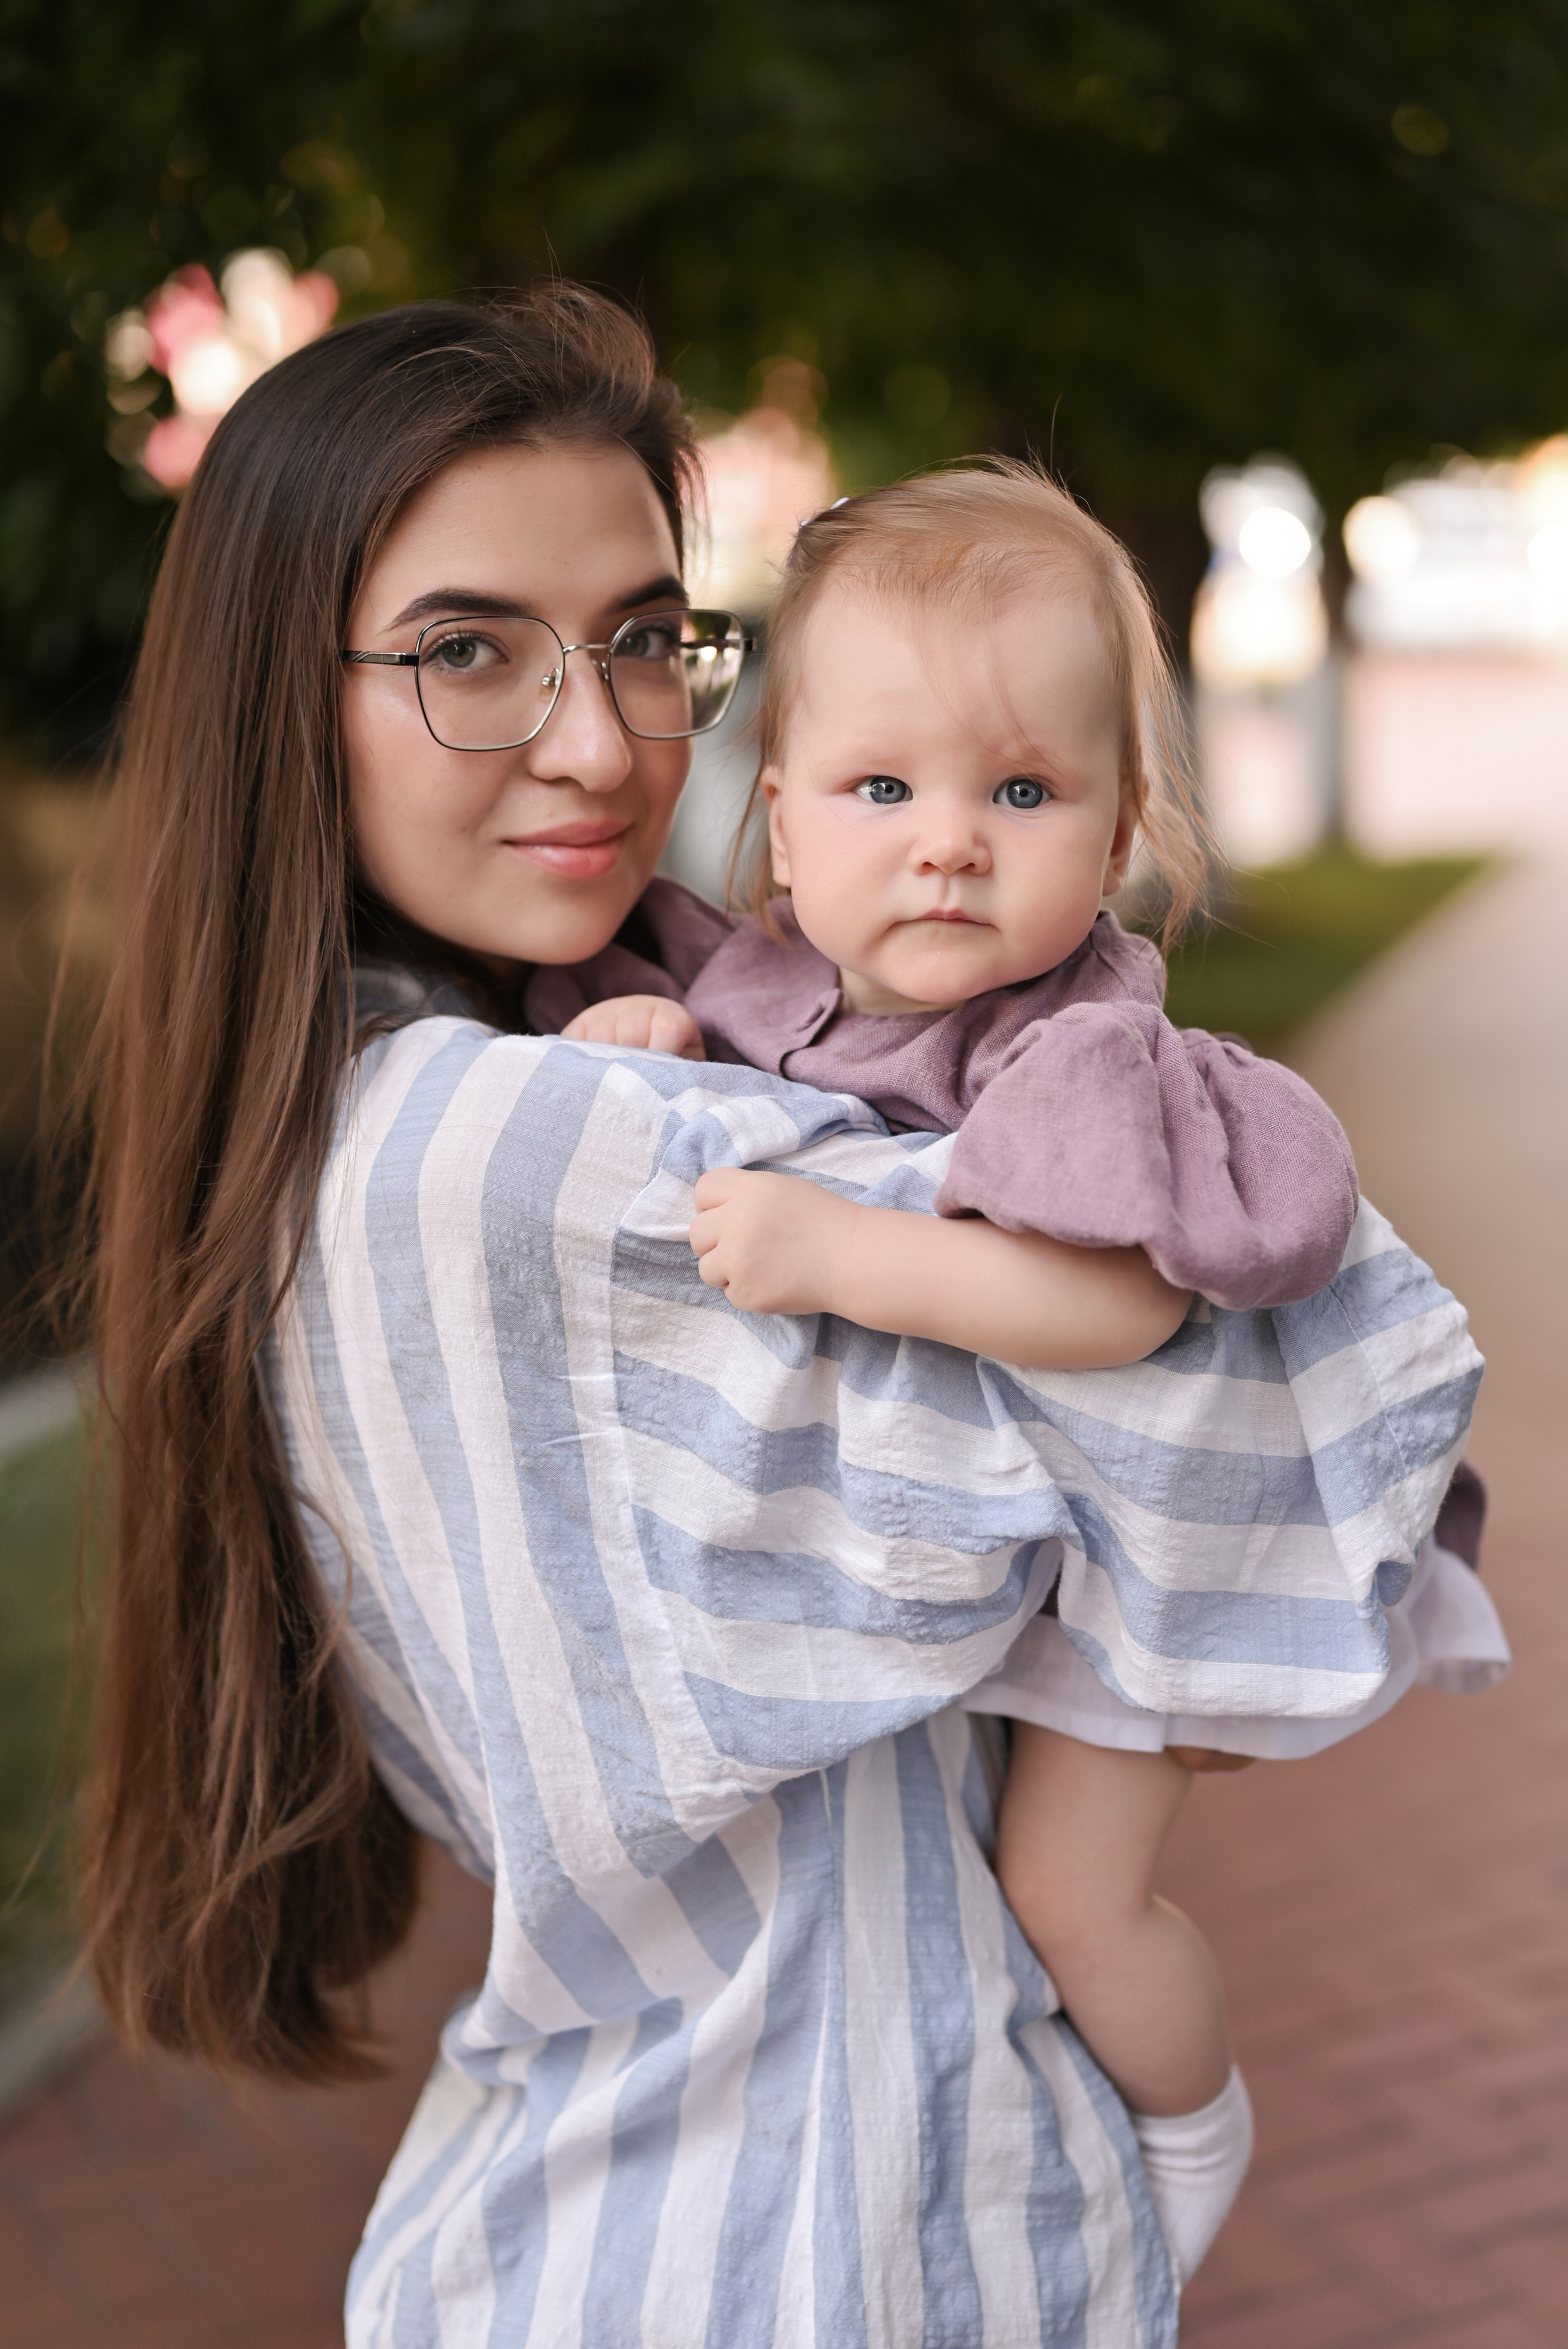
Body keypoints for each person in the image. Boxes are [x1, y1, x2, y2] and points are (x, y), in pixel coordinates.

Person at [63, 284, 1488, 2345]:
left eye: (648, 640)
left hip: (844, 2208)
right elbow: (1304, 1405)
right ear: (279, 698)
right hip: (752, 2249)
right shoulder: (488, 1152)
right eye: (469, 650)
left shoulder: (549, 1066)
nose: (598, 739)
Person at [552, 462, 1507, 2273]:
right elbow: (725, 1074)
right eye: (883, 786)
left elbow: (1116, 1308)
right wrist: (650, 1034)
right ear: (781, 817)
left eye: (1021, 790)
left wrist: (848, 1251)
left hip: (1152, 1563)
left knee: (1068, 1893)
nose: (949, 841)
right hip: (1001, 1563)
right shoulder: (771, 989)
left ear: (1121, 821)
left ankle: (1184, 2132)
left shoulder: (1082, 1049)